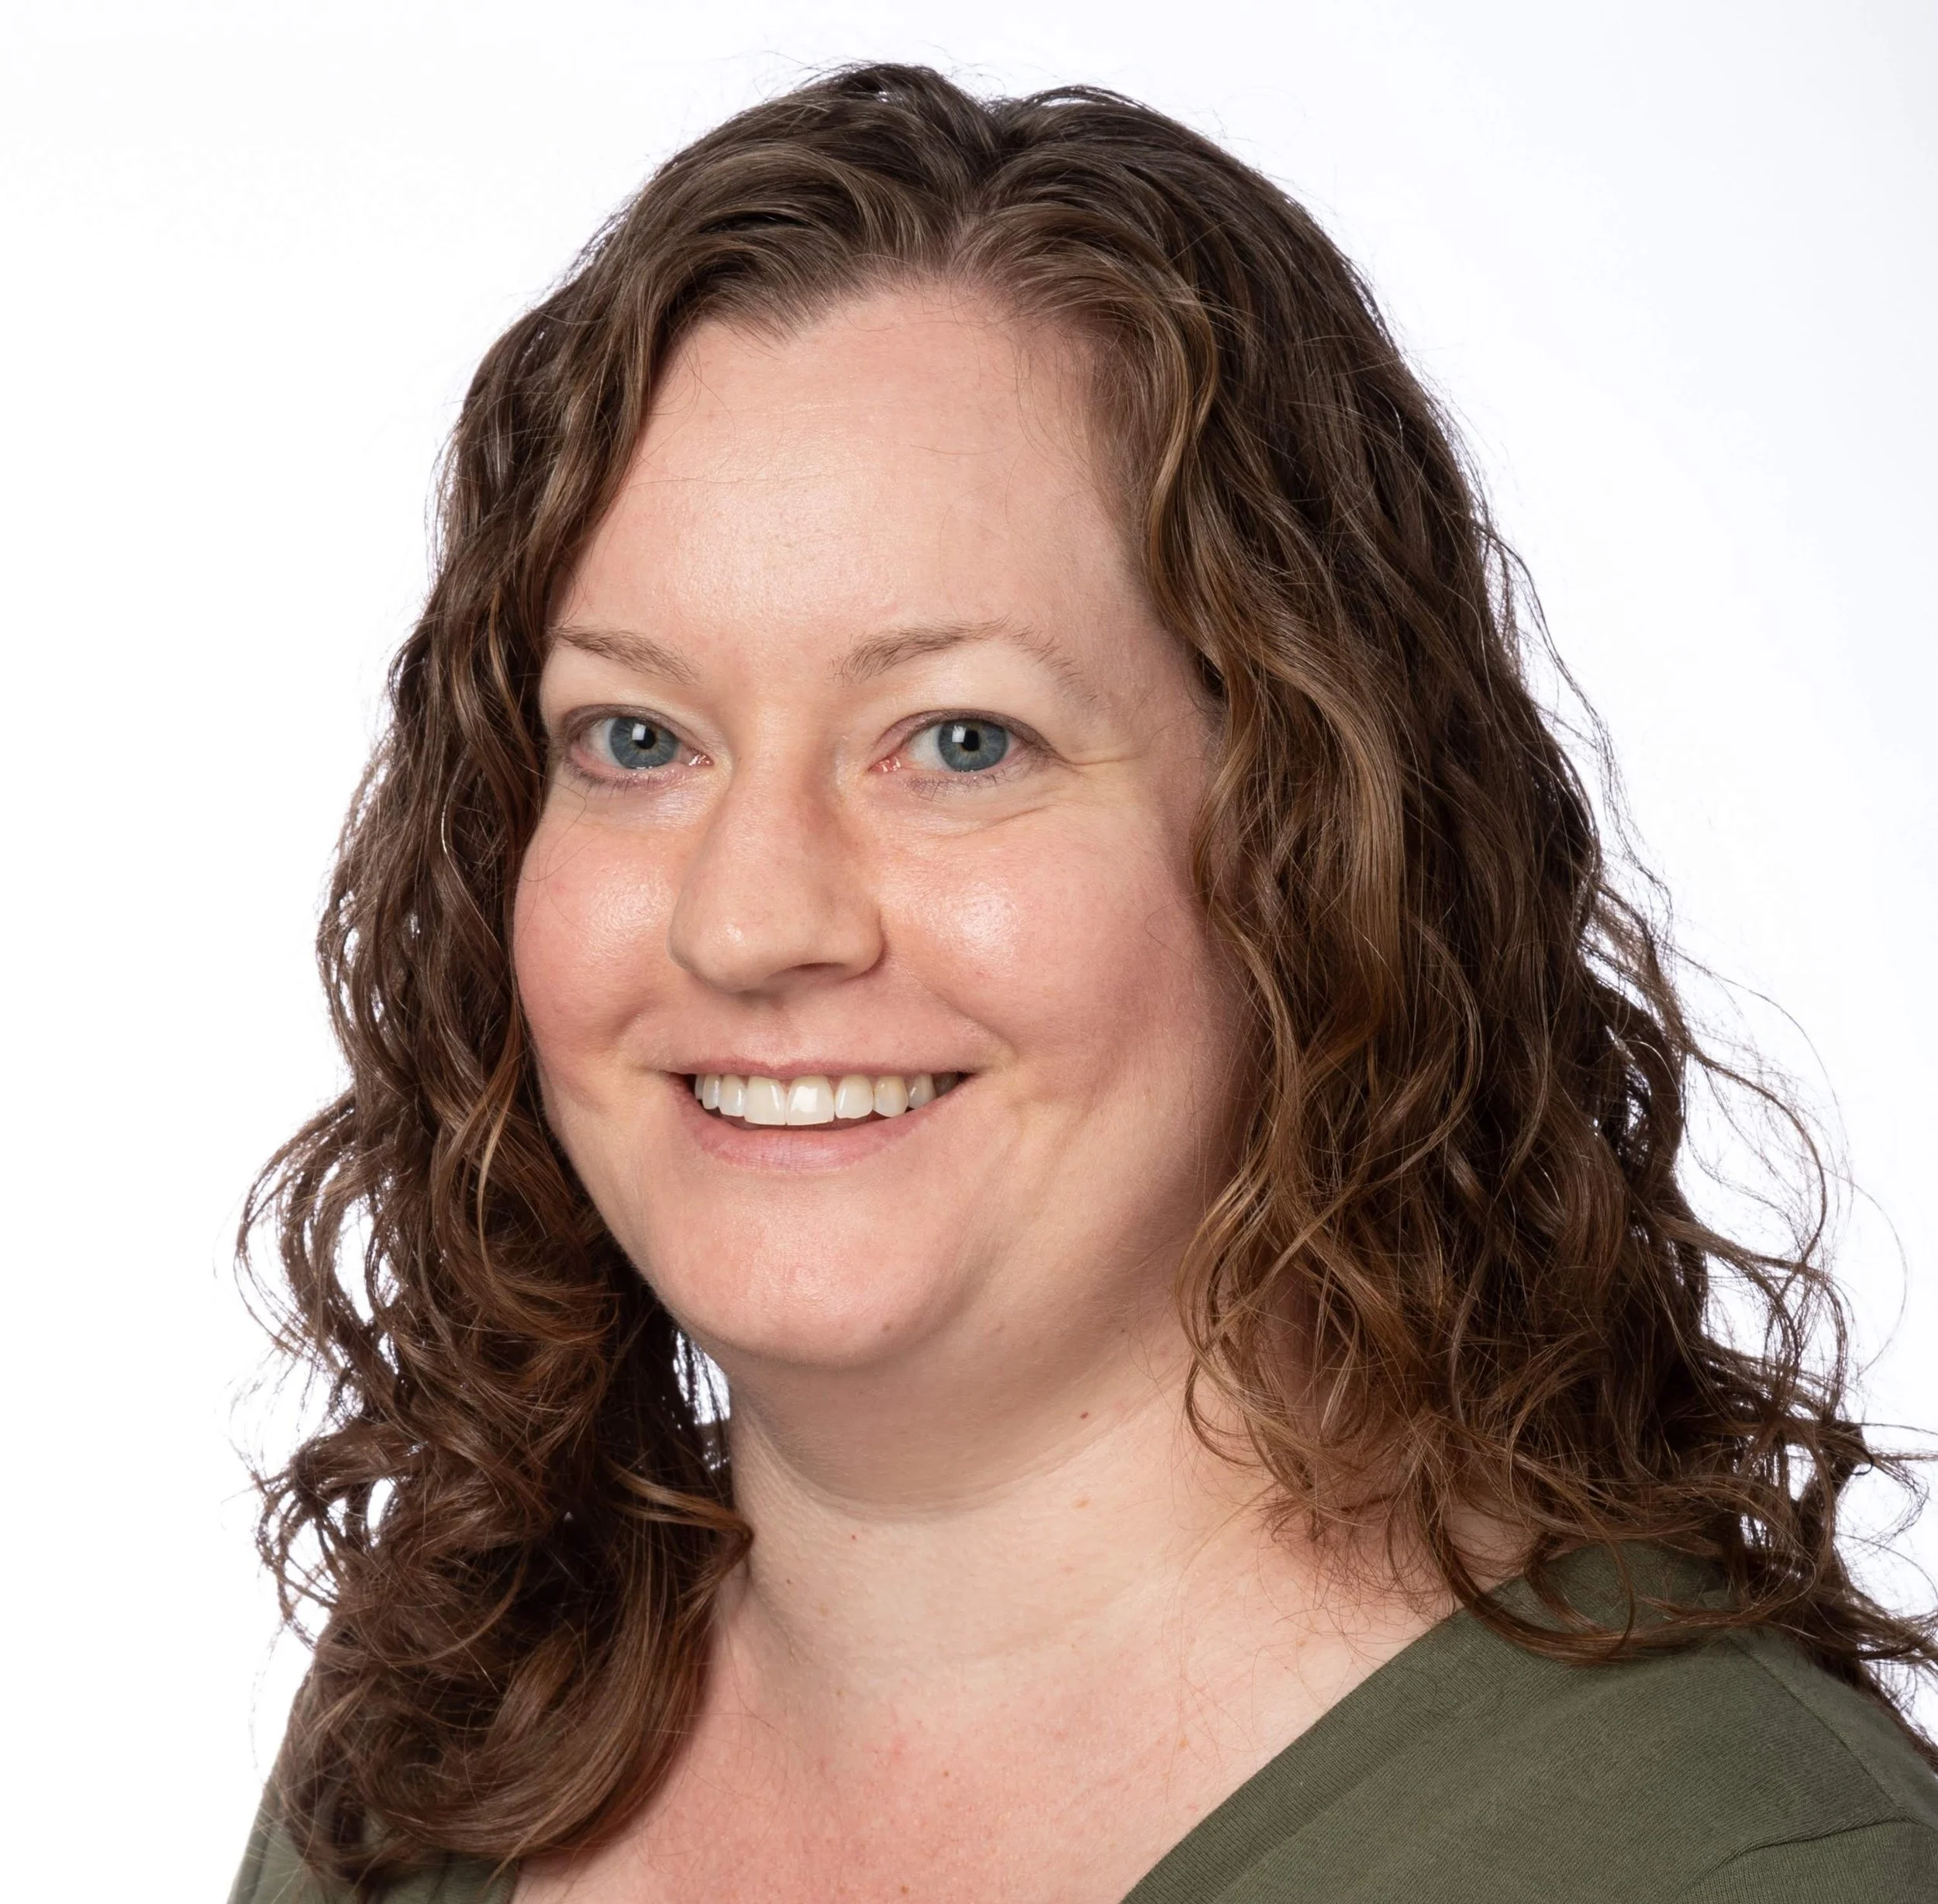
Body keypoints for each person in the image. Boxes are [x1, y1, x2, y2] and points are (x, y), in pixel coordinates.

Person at [229, 63, 1938, 1904]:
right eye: (636, 735)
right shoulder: (444, 1726)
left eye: (960, 738)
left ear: (1313, 834)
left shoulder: (1719, 1861)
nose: (749, 920)